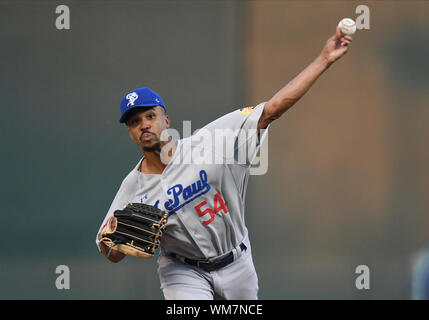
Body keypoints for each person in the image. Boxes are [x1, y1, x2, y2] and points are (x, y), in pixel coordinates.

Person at [96, 27, 353, 299]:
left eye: (149, 116)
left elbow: (273, 109)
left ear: (166, 121)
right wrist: (111, 240)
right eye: (134, 122)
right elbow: (111, 252)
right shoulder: (132, 186)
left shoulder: (211, 141)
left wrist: (324, 59)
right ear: (130, 132)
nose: (144, 125)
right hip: (182, 271)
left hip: (237, 262)